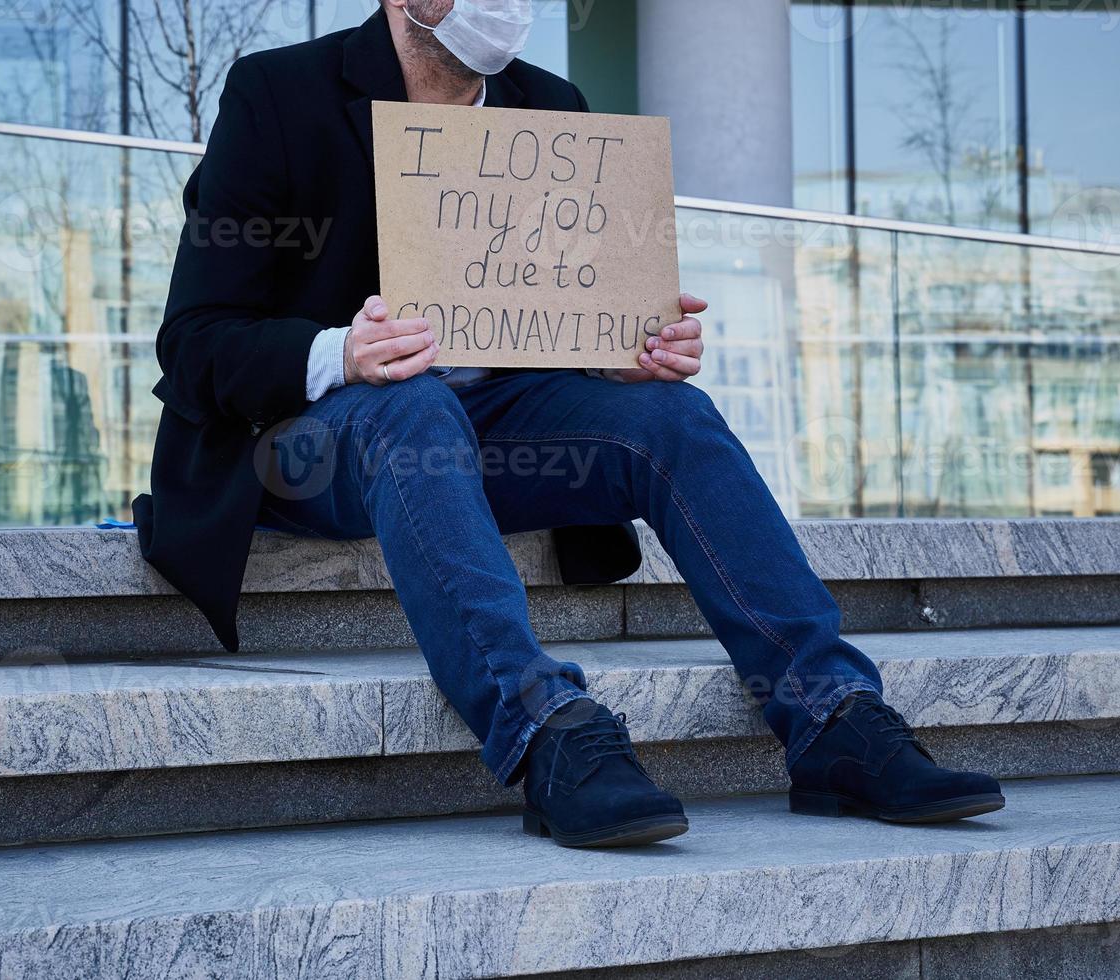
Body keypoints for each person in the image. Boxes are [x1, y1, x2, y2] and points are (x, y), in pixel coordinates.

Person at [134, 0, 1005, 848]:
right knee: (413, 404)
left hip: (487, 427)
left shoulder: (550, 110)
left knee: (669, 415)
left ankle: (831, 718)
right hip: (314, 440)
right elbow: (195, 344)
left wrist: (614, 352)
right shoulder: (277, 92)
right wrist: (343, 351)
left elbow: (550, 325)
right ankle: (543, 727)